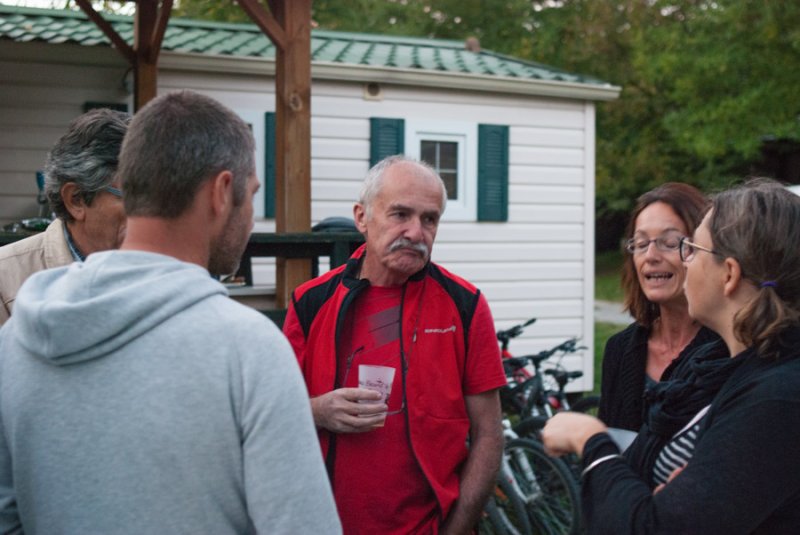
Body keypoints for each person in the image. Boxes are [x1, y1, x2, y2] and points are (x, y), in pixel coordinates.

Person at [0, 90, 341, 534]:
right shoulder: (248, 349)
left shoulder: (16, 340)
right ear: (221, 192)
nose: (251, 216)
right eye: (251, 195)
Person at [542, 179, 800, 534]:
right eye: (641, 242)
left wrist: (588, 438)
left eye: (689, 248)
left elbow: (650, 527)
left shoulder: (778, 395)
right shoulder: (728, 367)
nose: (682, 261)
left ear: (729, 275)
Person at [282, 155, 506, 534]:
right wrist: (317, 410)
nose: (417, 233)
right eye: (400, 214)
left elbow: (489, 433)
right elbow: (270, 416)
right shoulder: (311, 302)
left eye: (429, 219)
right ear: (362, 217)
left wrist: (456, 529)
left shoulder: (465, 305)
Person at [598, 183, 721, 431]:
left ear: (705, 250)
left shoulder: (729, 349)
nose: (651, 256)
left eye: (670, 242)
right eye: (641, 244)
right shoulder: (619, 350)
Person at [0, 108, 130, 325]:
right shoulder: (5, 280)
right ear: (76, 199)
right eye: (134, 195)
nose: (152, 209)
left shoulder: (167, 270)